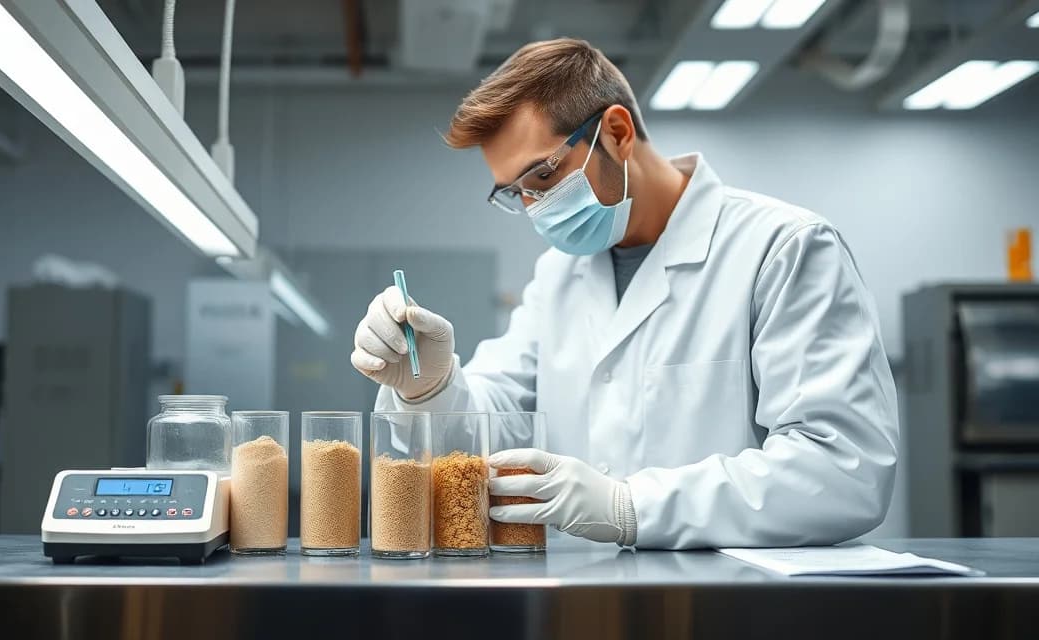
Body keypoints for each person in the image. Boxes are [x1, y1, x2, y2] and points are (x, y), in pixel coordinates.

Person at [350, 38, 898, 549]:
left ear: (617, 132)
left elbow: (843, 468)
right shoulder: (560, 276)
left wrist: (630, 506)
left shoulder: (781, 248)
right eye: (515, 193)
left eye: (543, 175)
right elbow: (499, 428)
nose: (536, 207)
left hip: (738, 604)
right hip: (589, 599)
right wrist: (430, 388)